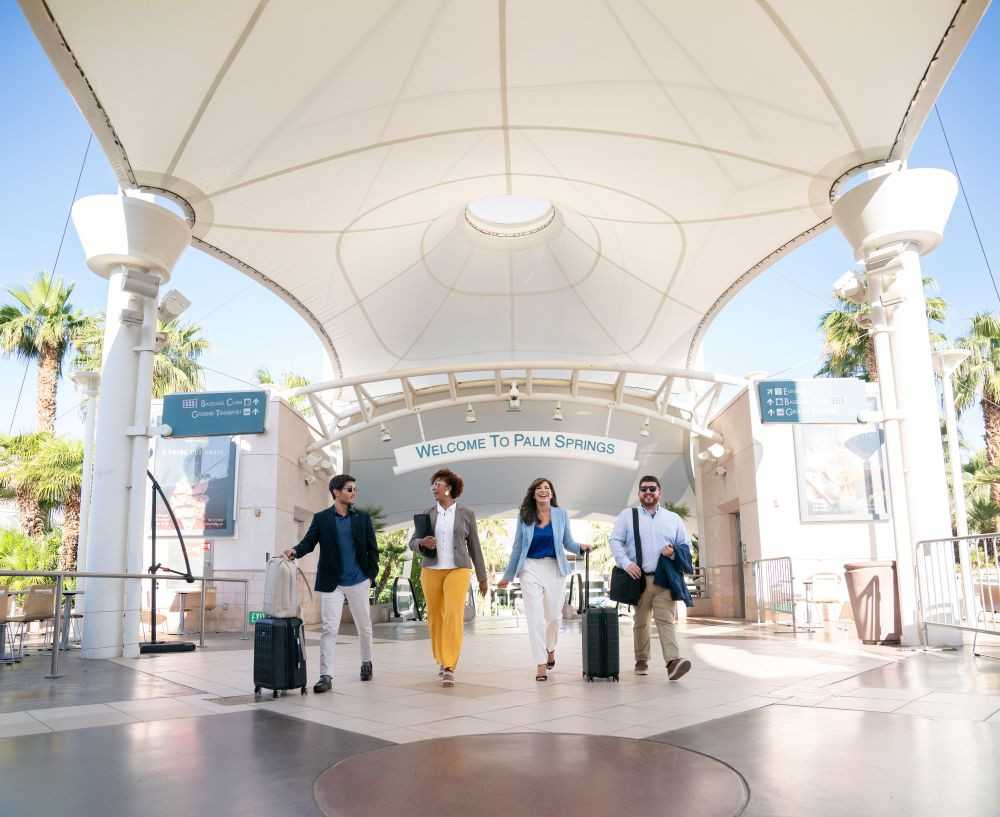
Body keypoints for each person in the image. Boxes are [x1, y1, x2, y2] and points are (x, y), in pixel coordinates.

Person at [284, 474, 378, 693]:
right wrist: (295, 551)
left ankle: (366, 662)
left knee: (364, 625)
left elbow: (372, 549)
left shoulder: (362, 518)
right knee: (329, 628)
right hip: (332, 583)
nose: (354, 493)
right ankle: (325, 676)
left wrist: (370, 576)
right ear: (336, 492)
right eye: (349, 489)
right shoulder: (322, 518)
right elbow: (309, 542)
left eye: (355, 489)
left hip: (358, 581)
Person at [498, 477, 590, 681]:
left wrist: (580, 547)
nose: (543, 490)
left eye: (547, 487)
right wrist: (507, 575)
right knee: (535, 617)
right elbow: (517, 547)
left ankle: (550, 648)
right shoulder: (525, 516)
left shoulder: (561, 514)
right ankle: (540, 663)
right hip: (530, 568)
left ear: (551, 493)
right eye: (539, 488)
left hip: (554, 568)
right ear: (533, 494)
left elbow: (567, 541)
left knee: (554, 617)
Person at [609, 475, 694, 680]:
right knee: (641, 622)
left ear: (660, 493)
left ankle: (673, 662)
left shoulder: (673, 519)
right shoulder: (628, 516)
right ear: (639, 493)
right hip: (639, 579)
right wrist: (626, 563)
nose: (648, 492)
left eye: (652, 489)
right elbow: (615, 540)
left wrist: (673, 552)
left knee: (666, 620)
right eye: (644, 489)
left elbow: (687, 546)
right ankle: (641, 659)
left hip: (665, 579)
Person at [409, 468, 487, 688]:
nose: (433, 489)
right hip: (431, 570)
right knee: (435, 616)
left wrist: (482, 577)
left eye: (437, 484)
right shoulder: (427, 513)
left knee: (453, 614)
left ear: (449, 488)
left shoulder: (466, 513)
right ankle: (442, 658)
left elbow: (475, 546)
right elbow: (413, 542)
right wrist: (422, 543)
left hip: (458, 569)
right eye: (432, 485)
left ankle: (450, 666)